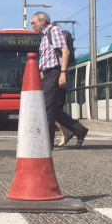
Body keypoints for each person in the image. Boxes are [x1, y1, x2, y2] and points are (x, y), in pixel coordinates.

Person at [31, 11, 88, 150]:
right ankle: (80, 130)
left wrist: (62, 73)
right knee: (54, 110)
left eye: (33, 23)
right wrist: (42, 74)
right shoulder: (44, 37)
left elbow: (65, 52)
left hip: (56, 73)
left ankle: (47, 144)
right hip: (50, 74)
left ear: (42, 21)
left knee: (46, 108)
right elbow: (48, 60)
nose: (32, 26)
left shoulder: (54, 30)